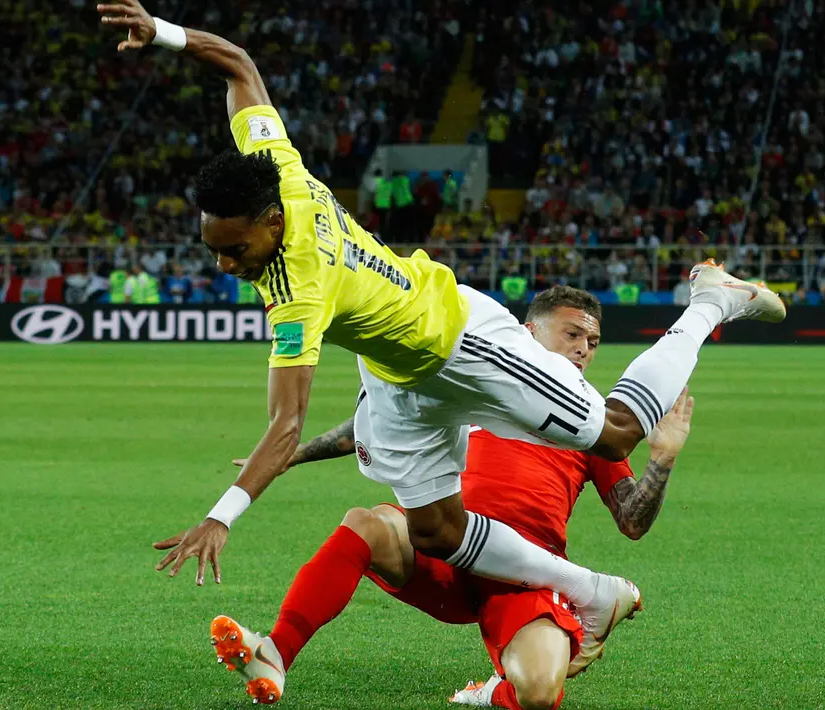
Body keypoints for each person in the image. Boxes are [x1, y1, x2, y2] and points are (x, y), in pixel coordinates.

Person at [100, 0, 784, 681]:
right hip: (395, 374)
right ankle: (593, 590)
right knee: (434, 531)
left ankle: (708, 301)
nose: (225, 264)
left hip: (457, 338)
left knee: (613, 435)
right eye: (213, 249)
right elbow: (238, 64)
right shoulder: (272, 162)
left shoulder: (299, 290)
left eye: (235, 248)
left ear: (272, 222)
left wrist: (220, 518)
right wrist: (162, 33)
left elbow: (284, 426)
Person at [213, 287, 693, 706]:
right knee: (367, 521)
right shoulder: (478, 381)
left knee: (541, 694)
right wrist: (293, 454)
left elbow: (632, 520)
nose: (584, 349)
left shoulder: (590, 423)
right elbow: (365, 427)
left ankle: (488, 693)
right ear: (529, 333)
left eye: (592, 341)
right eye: (571, 335)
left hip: (523, 572)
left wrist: (663, 457)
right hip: (441, 545)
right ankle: (274, 653)